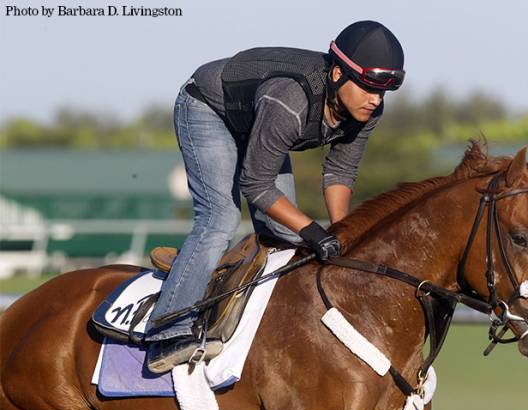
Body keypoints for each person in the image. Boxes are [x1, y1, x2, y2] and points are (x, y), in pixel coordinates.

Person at [145, 20, 406, 373]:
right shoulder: (290, 101)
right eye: (368, 86)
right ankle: (169, 327)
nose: (375, 99)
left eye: (384, 91)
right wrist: (315, 230)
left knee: (286, 234)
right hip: (207, 107)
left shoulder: (369, 110)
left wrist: (343, 233)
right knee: (220, 217)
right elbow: (256, 185)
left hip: (256, 119)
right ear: (337, 74)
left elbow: (340, 172)